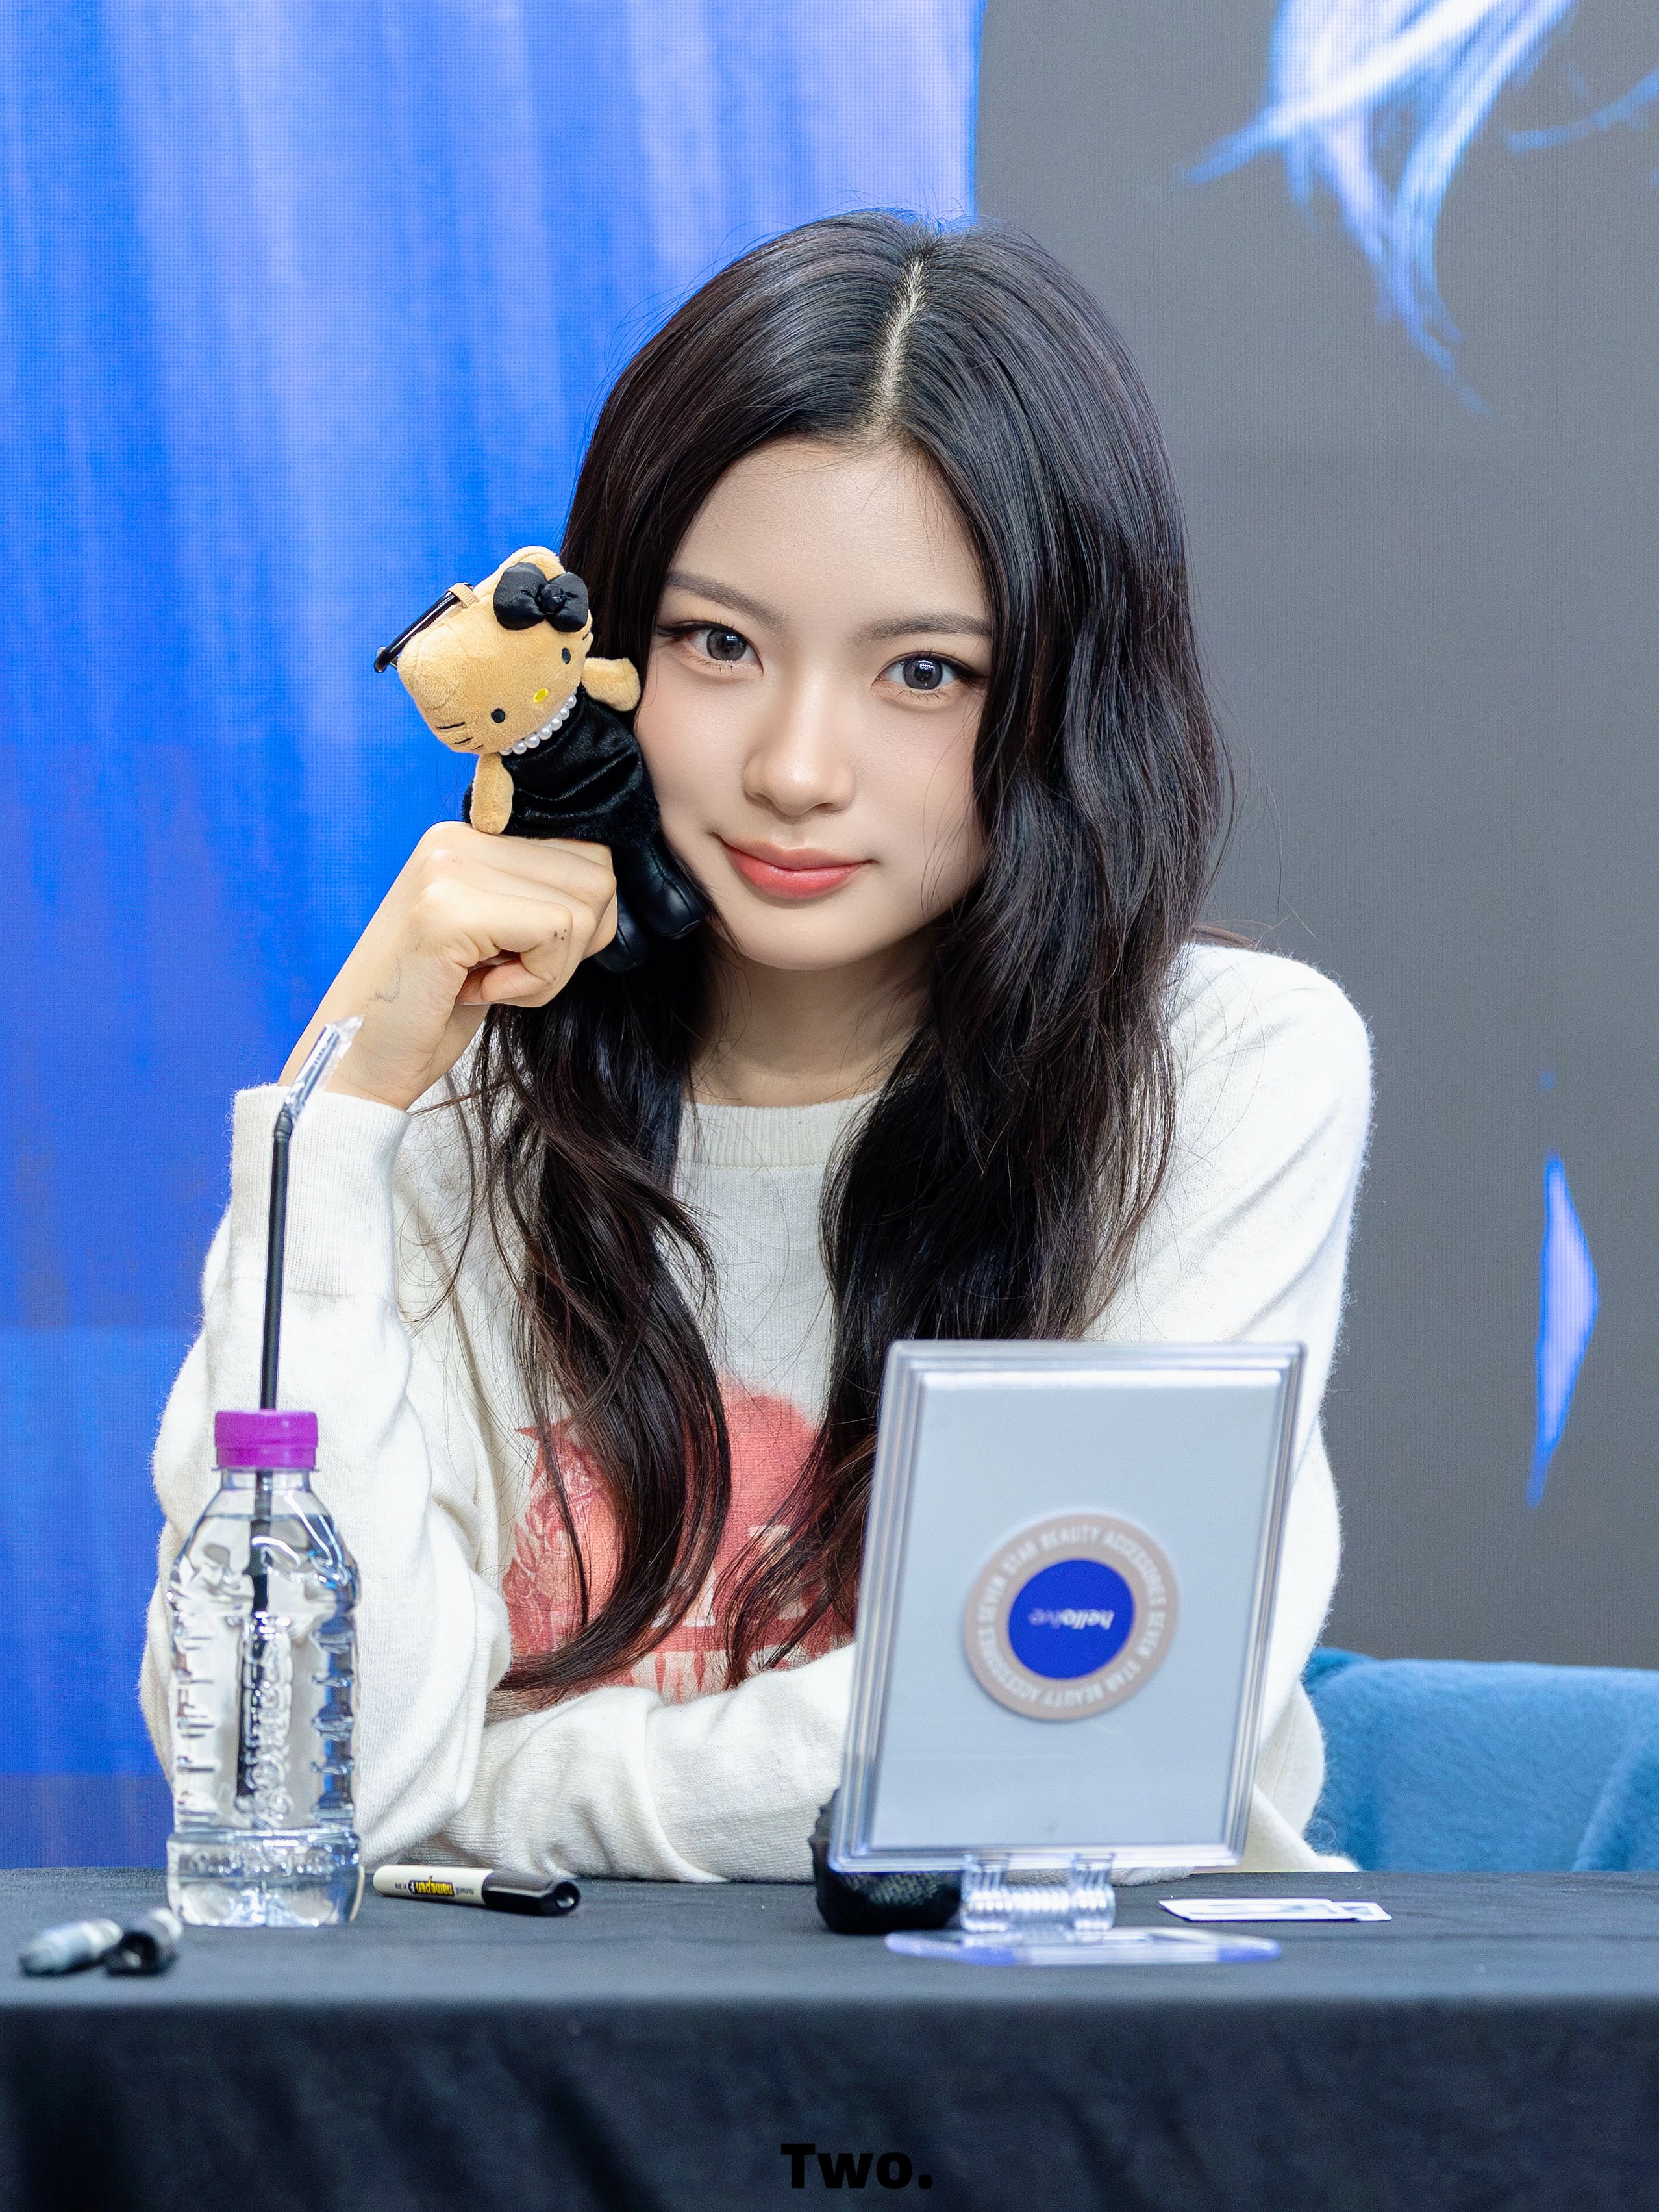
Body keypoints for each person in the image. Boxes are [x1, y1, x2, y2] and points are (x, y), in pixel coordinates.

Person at [141, 213, 1370, 1880]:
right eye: (720, 644)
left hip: (1059, 2033)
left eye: (924, 671)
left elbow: (1066, 1739)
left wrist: (493, 1788)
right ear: (598, 653)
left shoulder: (1218, 1072)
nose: (797, 766)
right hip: (550, 2043)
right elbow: (283, 1775)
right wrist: (338, 1107)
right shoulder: (439, 1106)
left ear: (1067, 702)